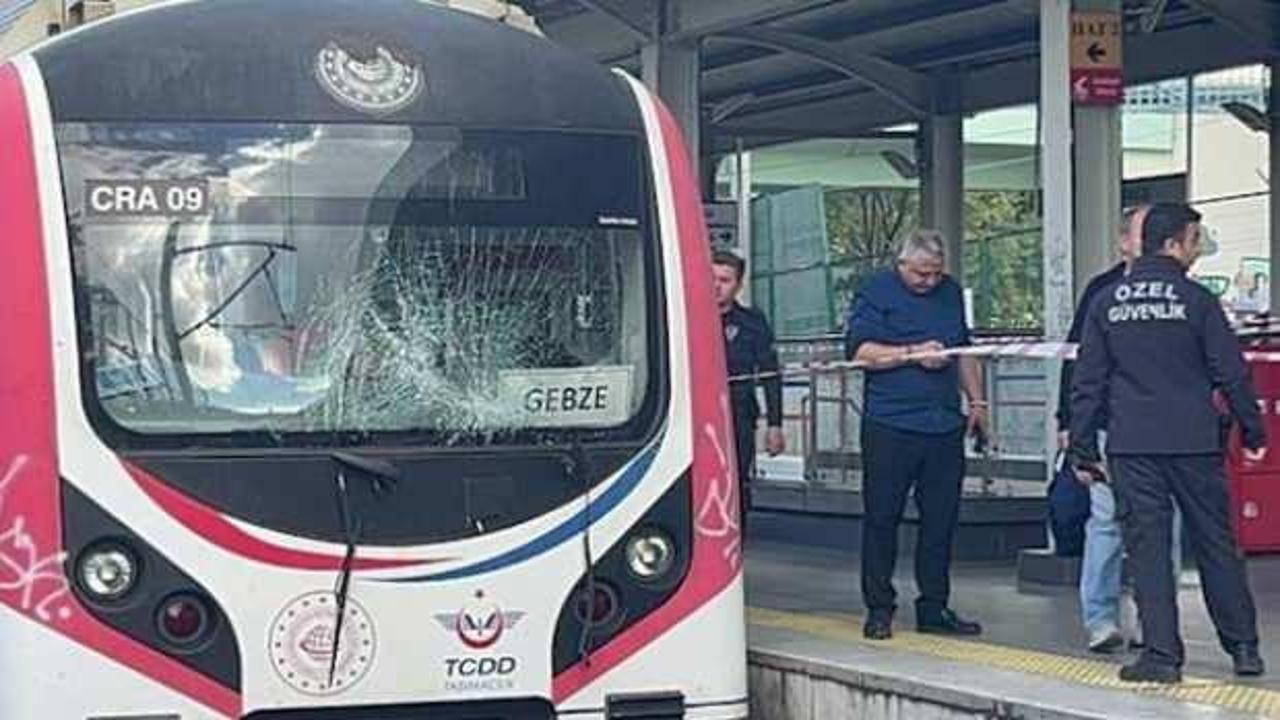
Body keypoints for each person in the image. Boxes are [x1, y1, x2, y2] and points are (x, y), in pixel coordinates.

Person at [1071, 202, 1267, 683]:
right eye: (1195, 240)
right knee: (1215, 544)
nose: (1198, 250)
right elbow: (1231, 372)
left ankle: (1161, 656)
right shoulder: (1197, 300)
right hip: (1194, 441)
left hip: (1132, 443)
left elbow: (1088, 380)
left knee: (1148, 549)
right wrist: (1253, 429)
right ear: (1173, 244)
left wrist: (1081, 446)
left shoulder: (1107, 301)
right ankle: (1243, 648)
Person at [843, 229, 988, 640]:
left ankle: (934, 606)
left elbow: (963, 352)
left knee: (941, 521)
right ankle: (879, 607)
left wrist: (977, 403)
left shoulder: (950, 293)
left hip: (943, 424)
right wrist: (911, 354)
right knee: (882, 519)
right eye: (921, 274)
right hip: (891, 424)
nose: (929, 281)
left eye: (936, 274)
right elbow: (860, 353)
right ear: (901, 264)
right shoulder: (876, 291)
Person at [1056, 205, 1182, 654]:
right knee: (1106, 522)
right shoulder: (1102, 291)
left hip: (1166, 432)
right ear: (1123, 241)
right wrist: (1068, 423)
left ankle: (1156, 619)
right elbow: (1078, 362)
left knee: (1164, 526)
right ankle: (1101, 620)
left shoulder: (1183, 292)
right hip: (1111, 426)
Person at [711, 250, 785, 530]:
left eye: (725, 280)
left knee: (736, 481)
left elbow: (770, 373)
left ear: (738, 285)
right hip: (693, 415)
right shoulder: (686, 317)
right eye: (712, 278)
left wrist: (775, 424)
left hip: (738, 414)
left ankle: (734, 544)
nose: (716, 285)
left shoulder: (752, 322)